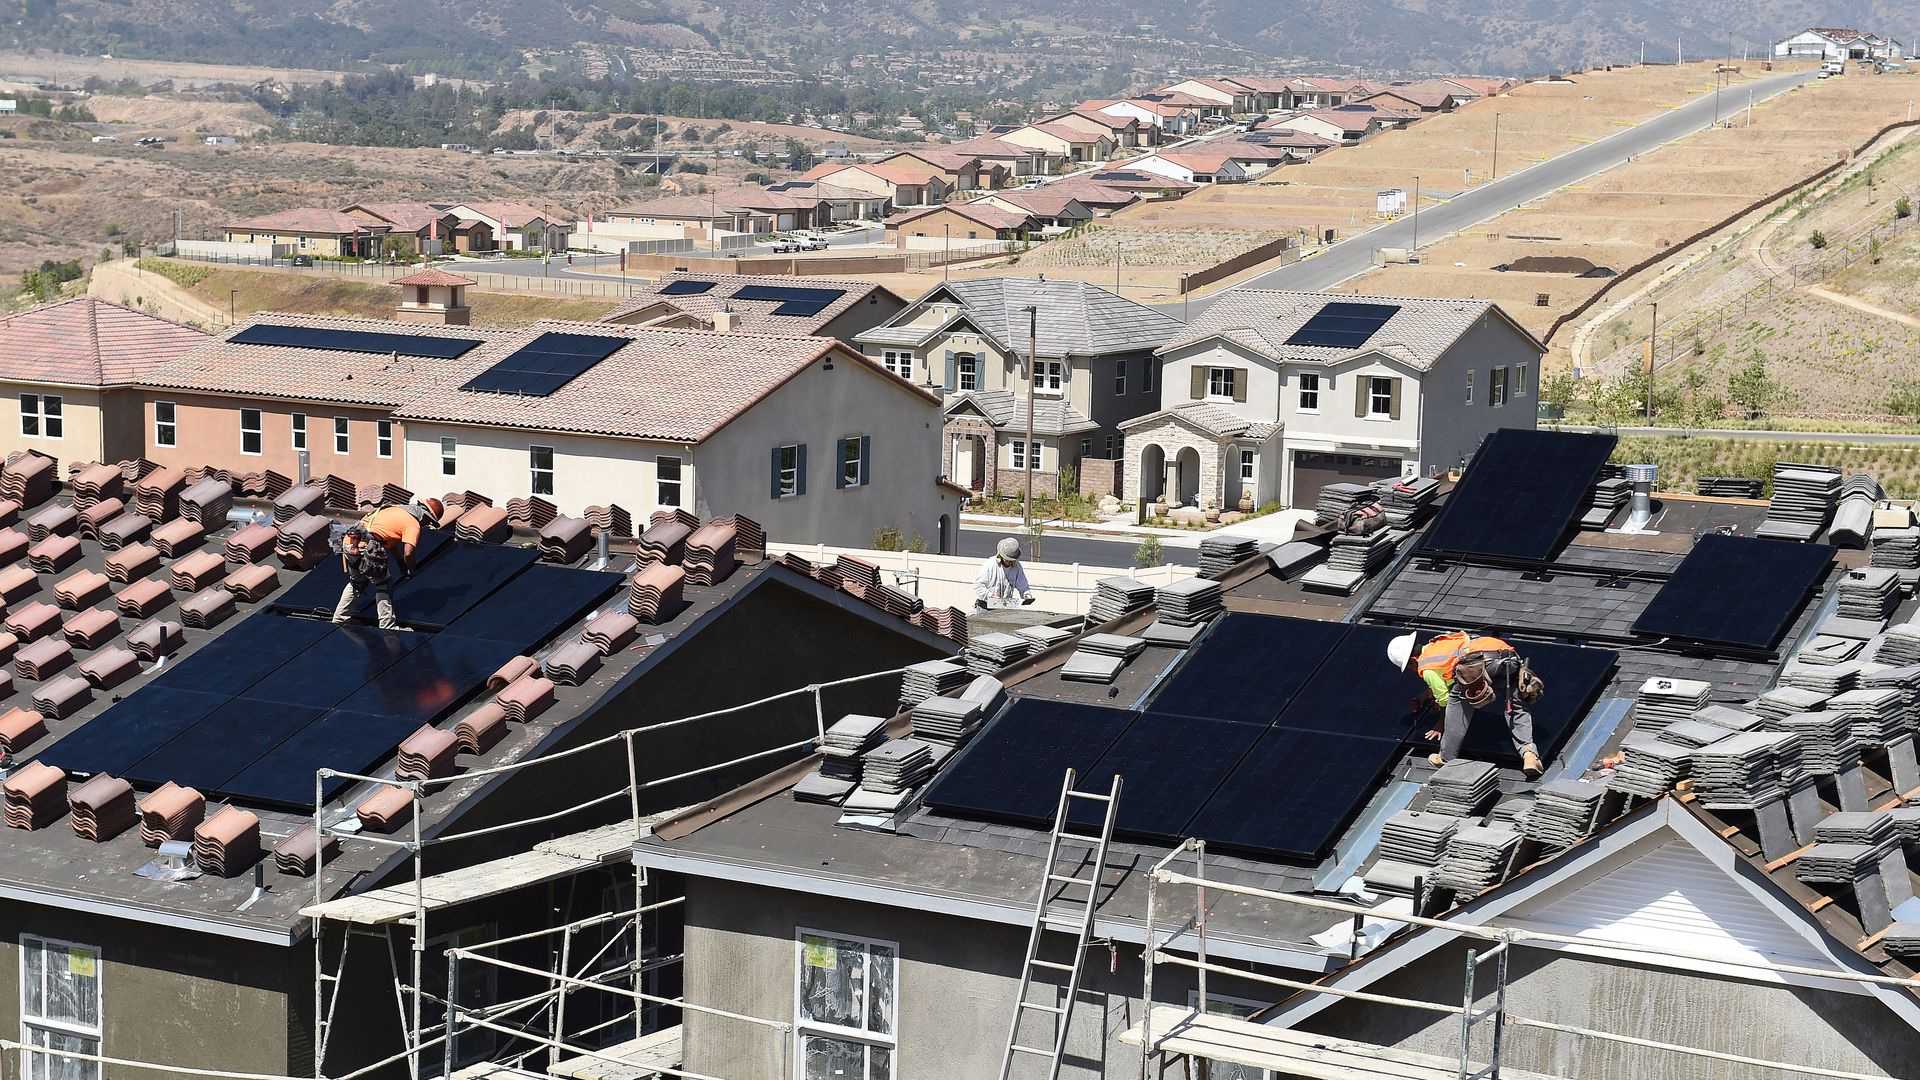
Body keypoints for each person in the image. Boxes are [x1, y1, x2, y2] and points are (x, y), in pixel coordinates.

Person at [1388, 630, 1546, 775]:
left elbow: (1444, 699)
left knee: (1456, 701)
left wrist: (1441, 723)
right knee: (1515, 705)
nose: (1413, 672)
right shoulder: (1439, 643)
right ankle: (1529, 755)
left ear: (1413, 660)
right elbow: (1449, 675)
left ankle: (1446, 756)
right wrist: (1427, 694)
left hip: (1478, 664)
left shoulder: (1426, 667)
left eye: (1410, 668)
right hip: (1507, 657)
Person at [333, 497, 444, 630]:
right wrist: (411, 570)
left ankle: (339, 619)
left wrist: (399, 562)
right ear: (425, 515)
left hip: (350, 543)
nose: (426, 524)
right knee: (384, 585)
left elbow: (388, 539)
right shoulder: (412, 523)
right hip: (366, 547)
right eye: (429, 521)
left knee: (357, 582)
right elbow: (409, 552)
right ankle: (388, 627)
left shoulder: (395, 509)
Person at [973, 537, 1035, 611]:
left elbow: (1022, 585)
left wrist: (1026, 594)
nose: (1010, 562)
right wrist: (991, 596)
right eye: (1008, 560)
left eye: (1011, 560)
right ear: (1001, 555)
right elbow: (978, 586)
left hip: (1005, 607)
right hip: (987, 607)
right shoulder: (990, 564)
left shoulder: (1016, 566)